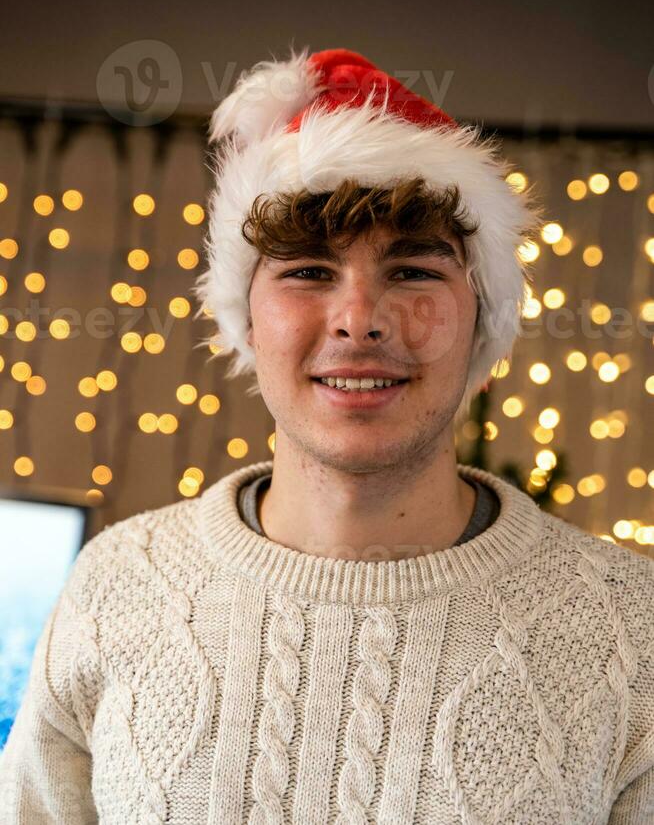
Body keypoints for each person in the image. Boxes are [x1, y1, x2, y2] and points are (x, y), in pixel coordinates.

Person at [1, 47, 652, 824]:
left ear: (482, 315)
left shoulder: (628, 627)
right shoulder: (116, 586)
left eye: (413, 270)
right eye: (308, 271)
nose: (358, 319)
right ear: (247, 315)